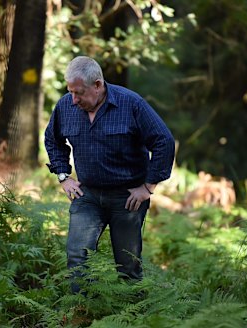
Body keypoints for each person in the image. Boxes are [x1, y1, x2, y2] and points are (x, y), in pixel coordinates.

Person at [44, 56, 175, 293]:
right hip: (88, 195)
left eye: (79, 93)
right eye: (70, 92)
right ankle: (83, 313)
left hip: (127, 198)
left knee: (127, 264)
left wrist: (148, 188)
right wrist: (63, 176)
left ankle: (133, 317)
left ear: (97, 84)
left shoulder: (131, 104)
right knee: (77, 257)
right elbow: (53, 140)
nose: (74, 100)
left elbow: (164, 141)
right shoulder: (65, 106)